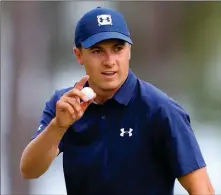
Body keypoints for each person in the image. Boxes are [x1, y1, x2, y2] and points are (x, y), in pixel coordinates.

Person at [20, 7, 214, 195]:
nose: (110, 60)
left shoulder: (160, 110)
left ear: (129, 51)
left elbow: (202, 189)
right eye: (97, 51)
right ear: (79, 55)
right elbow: (30, 170)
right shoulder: (65, 104)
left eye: (118, 49)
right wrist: (58, 127)